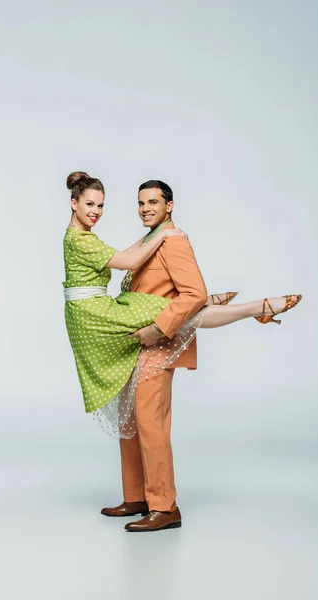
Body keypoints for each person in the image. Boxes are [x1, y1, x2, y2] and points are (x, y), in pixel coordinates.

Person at [63, 172, 302, 531]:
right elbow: (134, 268)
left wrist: (157, 328)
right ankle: (136, 497)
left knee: (150, 423)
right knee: (129, 423)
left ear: (169, 206)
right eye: (141, 203)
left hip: (158, 342)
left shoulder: (173, 241)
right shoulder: (150, 238)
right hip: (133, 338)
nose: (145, 209)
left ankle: (164, 507)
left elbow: (192, 295)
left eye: (153, 203)